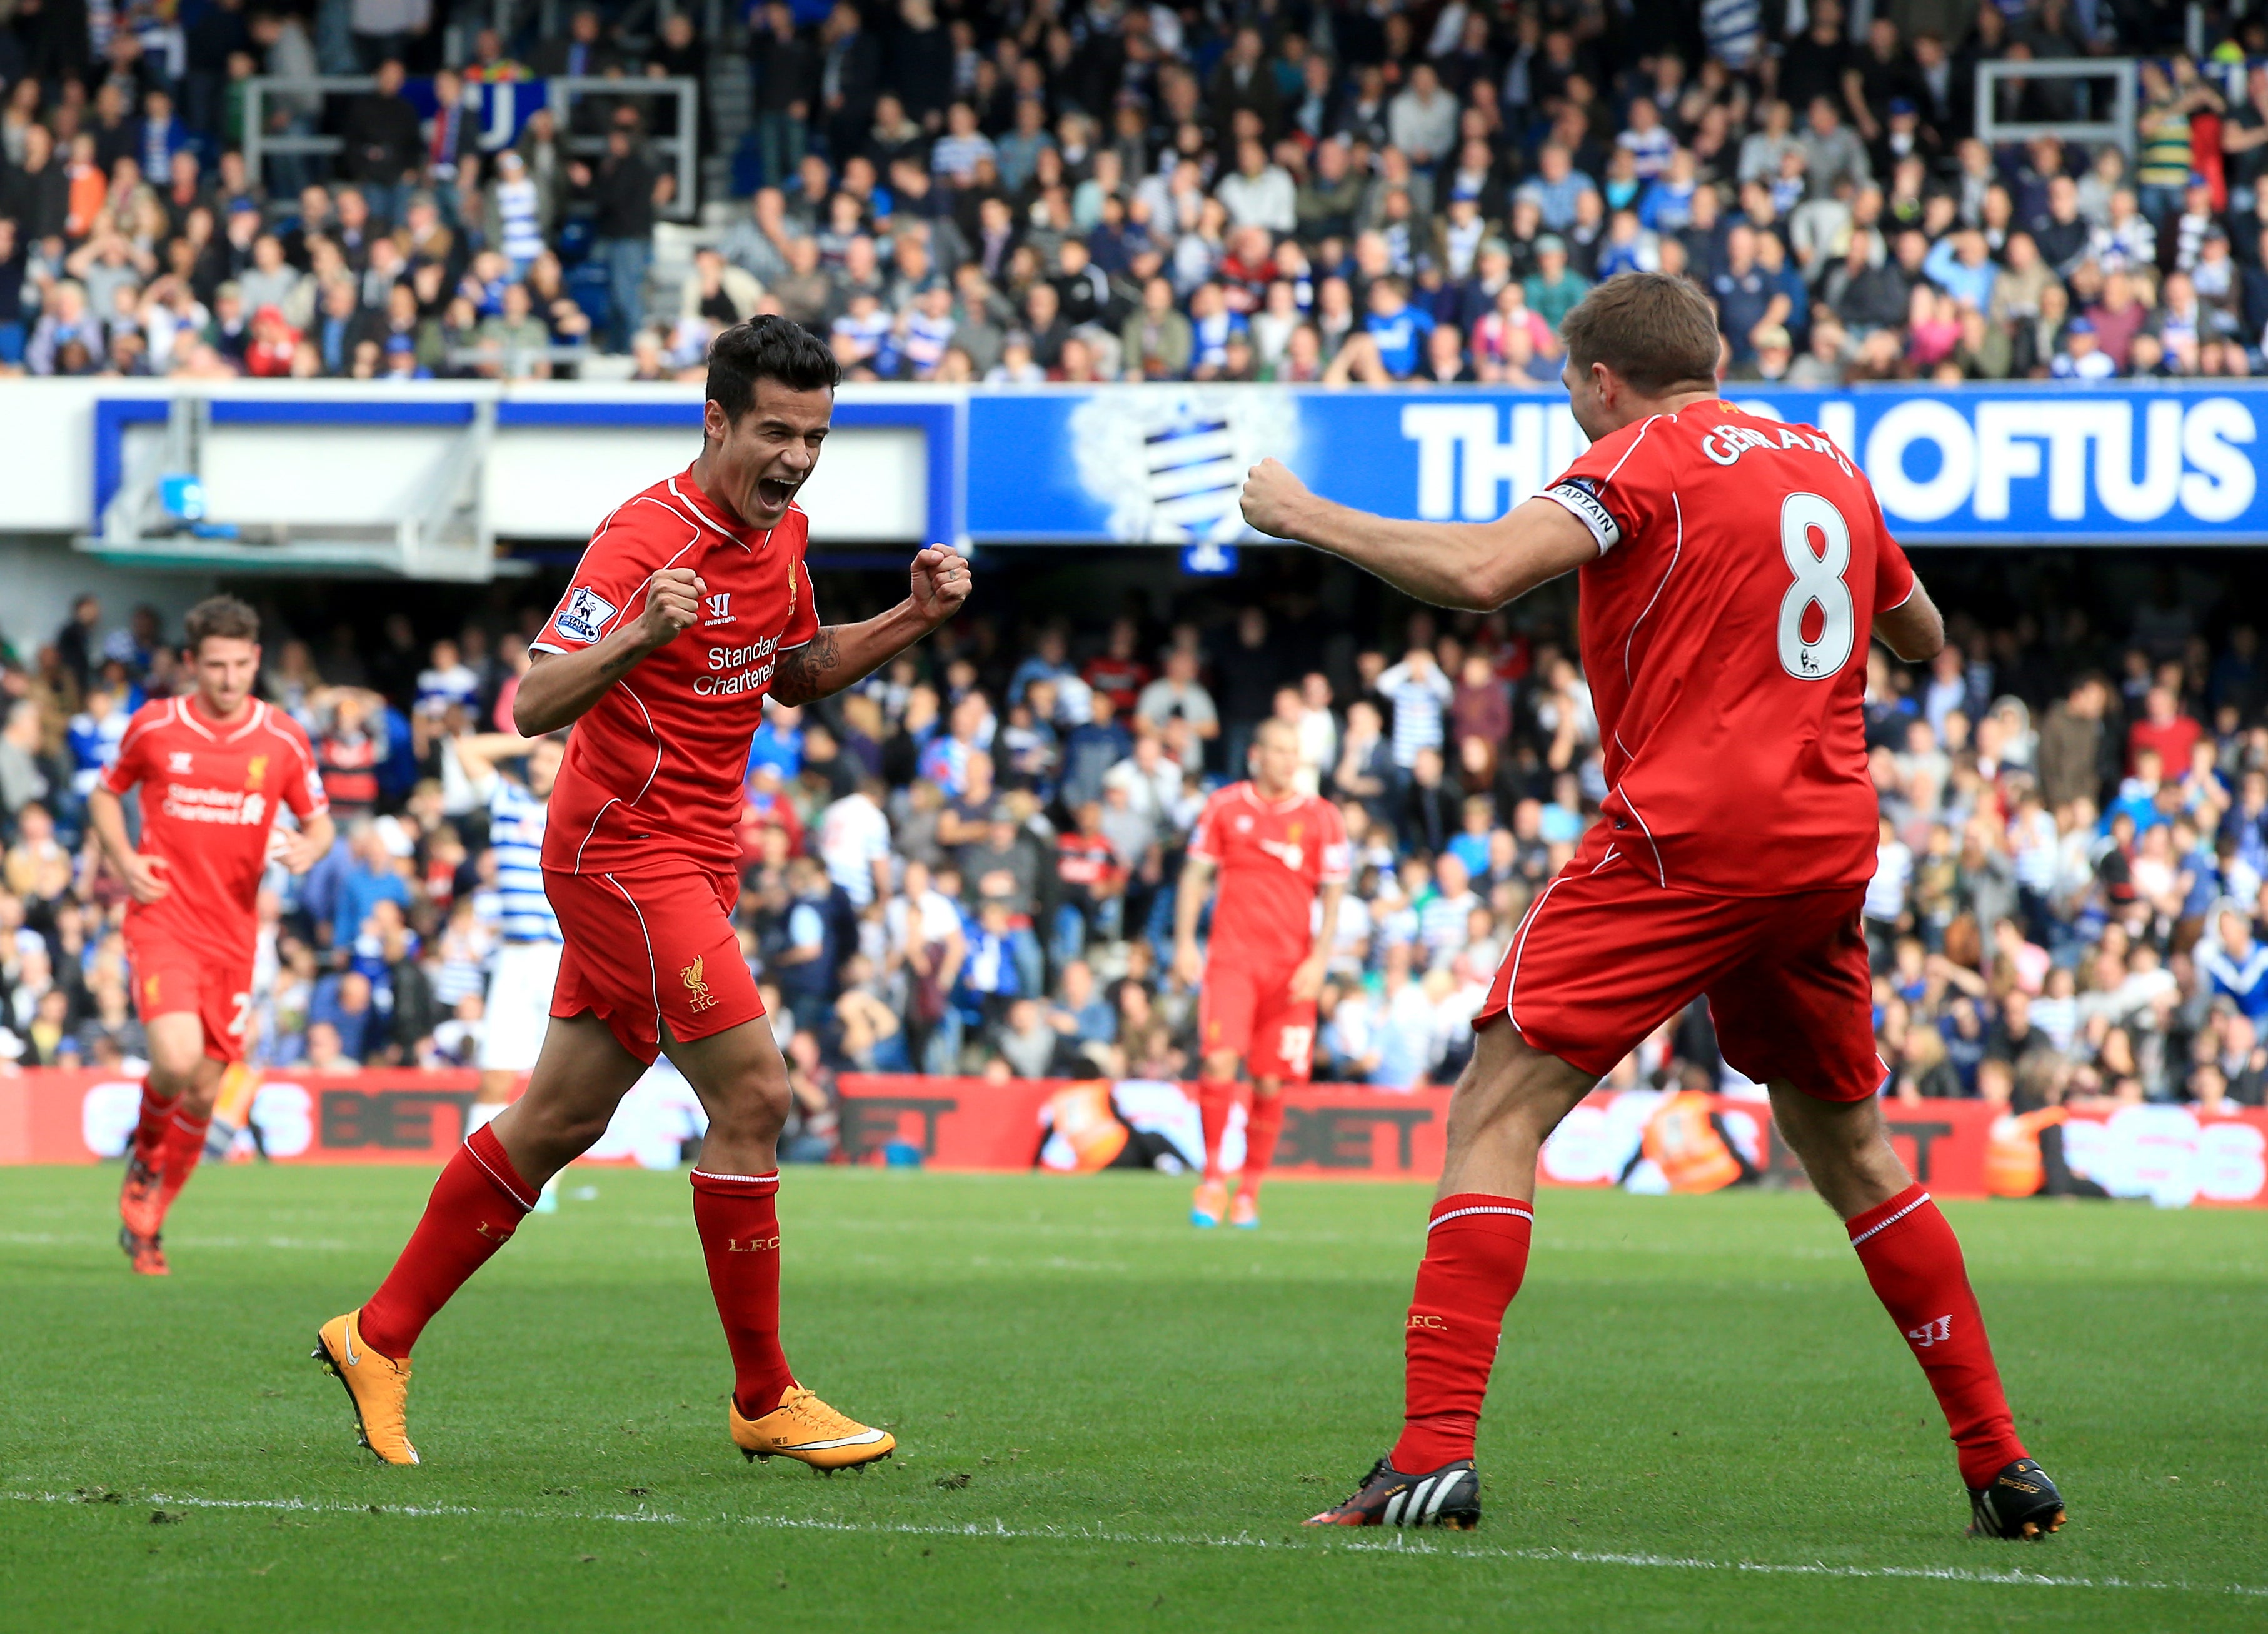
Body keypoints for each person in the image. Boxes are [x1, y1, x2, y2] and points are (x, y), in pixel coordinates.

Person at [1239, 272, 2063, 1541]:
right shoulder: (1822, 459)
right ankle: (1998, 1458)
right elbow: (1921, 633)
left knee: (1497, 1104)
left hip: (1689, 832)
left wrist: (1300, 513)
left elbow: (1477, 571)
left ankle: (1427, 1456)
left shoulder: (1634, 458)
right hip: (1823, 838)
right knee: (1852, 1151)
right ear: (1713, 357)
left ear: (1596, 380)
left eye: (1568, 387)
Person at [314, 318, 973, 1472]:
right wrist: (636, 633)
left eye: (814, 436)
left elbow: (795, 673)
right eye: (776, 430)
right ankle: (764, 1393)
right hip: (622, 854)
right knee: (755, 1092)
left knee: (559, 1118)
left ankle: (377, 1334)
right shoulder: (641, 536)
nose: (795, 457)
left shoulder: (786, 533)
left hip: (693, 857)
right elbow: (530, 703)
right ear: (716, 419)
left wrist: (915, 617)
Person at [89, 597, 334, 1275]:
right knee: (174, 1058)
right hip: (163, 916)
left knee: (204, 1089)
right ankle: (144, 1155)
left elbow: (321, 823)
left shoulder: (282, 737)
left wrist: (310, 849)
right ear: (192, 664)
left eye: (241, 665)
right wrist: (124, 860)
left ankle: (150, 1222)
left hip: (234, 936)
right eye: (216, 666)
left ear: (256, 660)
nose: (229, 679)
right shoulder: (155, 726)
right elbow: (106, 794)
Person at [1173, 717, 1347, 1229]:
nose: (1287, 760)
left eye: (1294, 752)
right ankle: (1211, 1179)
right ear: (1257, 754)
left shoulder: (1323, 818)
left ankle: (1249, 1190)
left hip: (1291, 969)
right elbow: (1195, 875)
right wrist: (1185, 941)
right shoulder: (1225, 806)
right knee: (1220, 1061)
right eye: (1278, 750)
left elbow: (1334, 893)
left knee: (1270, 1082)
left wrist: (1319, 960)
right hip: (1232, 960)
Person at [453, 729, 566, 1205]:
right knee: (494, 1075)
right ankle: (469, 1183)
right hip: (514, 956)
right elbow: (467, 749)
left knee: (559, 1080)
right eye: (535, 760)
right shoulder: (509, 801)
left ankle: (546, 1188)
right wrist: (533, 743)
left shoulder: (583, 809)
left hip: (564, 955)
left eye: (549, 761)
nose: (538, 767)